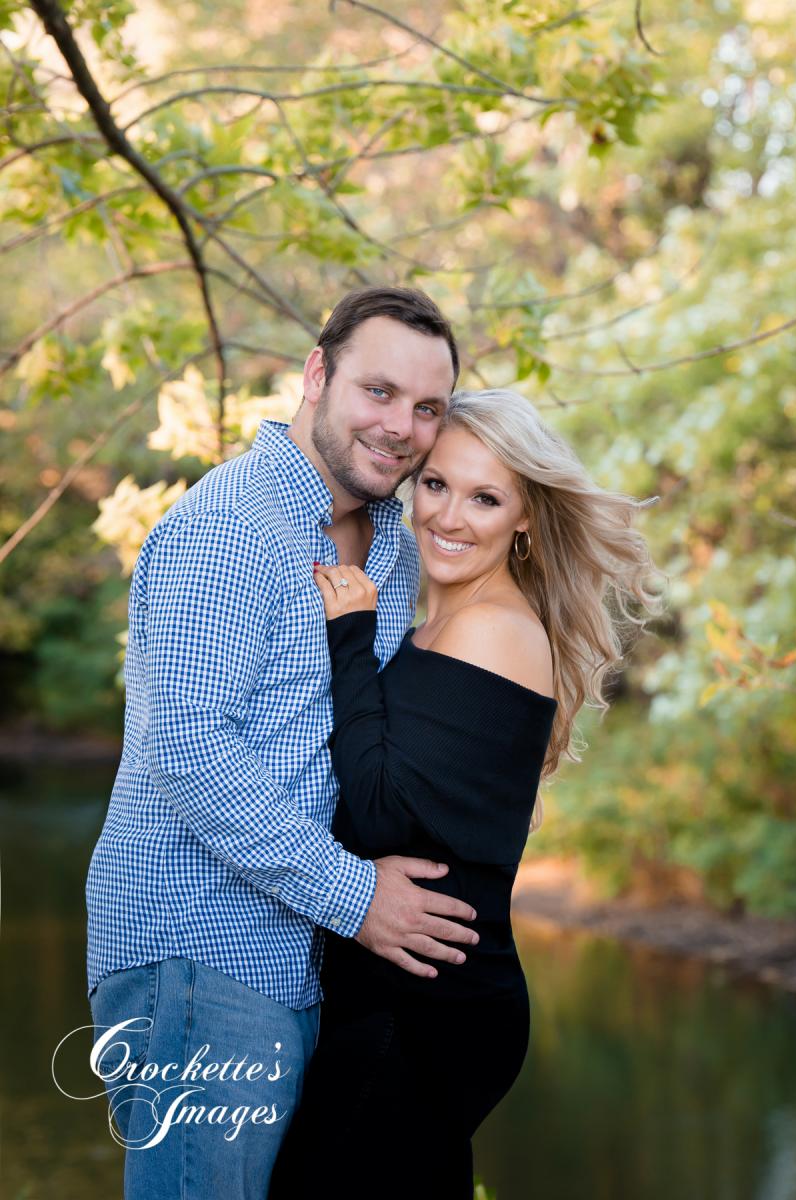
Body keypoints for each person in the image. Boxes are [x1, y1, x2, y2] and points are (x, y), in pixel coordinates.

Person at [85, 286, 483, 1199]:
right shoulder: (231, 526)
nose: (402, 426)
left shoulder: (394, 542)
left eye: (428, 407)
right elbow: (193, 753)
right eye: (378, 391)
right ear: (316, 376)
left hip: (303, 960)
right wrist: (358, 896)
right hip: (195, 954)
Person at [269, 387, 664, 1200]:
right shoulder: (438, 628)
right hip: (405, 992)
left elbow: (380, 813)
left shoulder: (492, 630)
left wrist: (348, 638)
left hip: (428, 1005)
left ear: (524, 518)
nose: (449, 517)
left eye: (485, 497)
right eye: (436, 484)